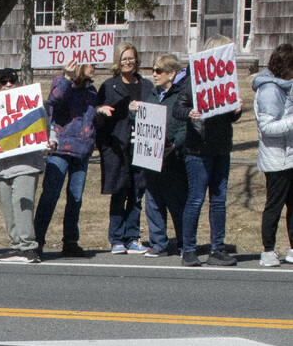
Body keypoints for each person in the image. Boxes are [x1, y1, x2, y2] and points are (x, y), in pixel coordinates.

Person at [174, 57, 241, 267]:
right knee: (196, 199)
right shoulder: (194, 78)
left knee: (219, 200)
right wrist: (189, 112)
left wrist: (236, 111)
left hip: (221, 146)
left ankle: (217, 249)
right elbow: (178, 108)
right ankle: (189, 250)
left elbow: (227, 115)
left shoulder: (226, 77)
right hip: (197, 149)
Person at [33, 62, 98, 257]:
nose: (94, 67)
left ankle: (70, 241)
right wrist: (67, 77)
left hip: (82, 150)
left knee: (75, 199)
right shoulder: (61, 83)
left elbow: (89, 118)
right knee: (50, 196)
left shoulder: (92, 90)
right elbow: (54, 99)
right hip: (60, 148)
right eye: (90, 64)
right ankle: (37, 240)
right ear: (79, 66)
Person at [94, 45, 149, 254]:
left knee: (137, 194)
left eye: (132, 59)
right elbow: (100, 118)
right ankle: (116, 238)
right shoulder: (109, 86)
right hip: (117, 147)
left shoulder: (146, 85)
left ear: (137, 61)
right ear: (118, 62)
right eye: (124, 59)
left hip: (142, 147)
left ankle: (132, 237)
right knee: (119, 192)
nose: (128, 62)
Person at [0, 69, 45, 262]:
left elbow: (46, 126)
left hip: (26, 165)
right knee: (8, 209)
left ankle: (29, 247)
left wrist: (51, 141)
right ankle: (16, 245)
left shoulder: (30, 103)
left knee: (22, 207)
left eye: (12, 81)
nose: (9, 85)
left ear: (18, 83)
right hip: (0, 168)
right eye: (4, 82)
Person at [141, 56, 188, 256]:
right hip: (151, 159)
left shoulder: (181, 95)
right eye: (153, 70)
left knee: (177, 202)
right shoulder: (152, 94)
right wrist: (135, 112)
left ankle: (185, 243)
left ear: (172, 74)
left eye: (159, 71)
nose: (154, 74)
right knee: (152, 201)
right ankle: (158, 243)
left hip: (173, 158)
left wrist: (176, 144)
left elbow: (186, 125)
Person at [252, 42, 293, 268]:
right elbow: (267, 128)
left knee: (292, 205)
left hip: (289, 156)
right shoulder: (269, 90)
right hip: (276, 159)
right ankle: (268, 250)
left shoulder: (283, 88)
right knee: (274, 206)